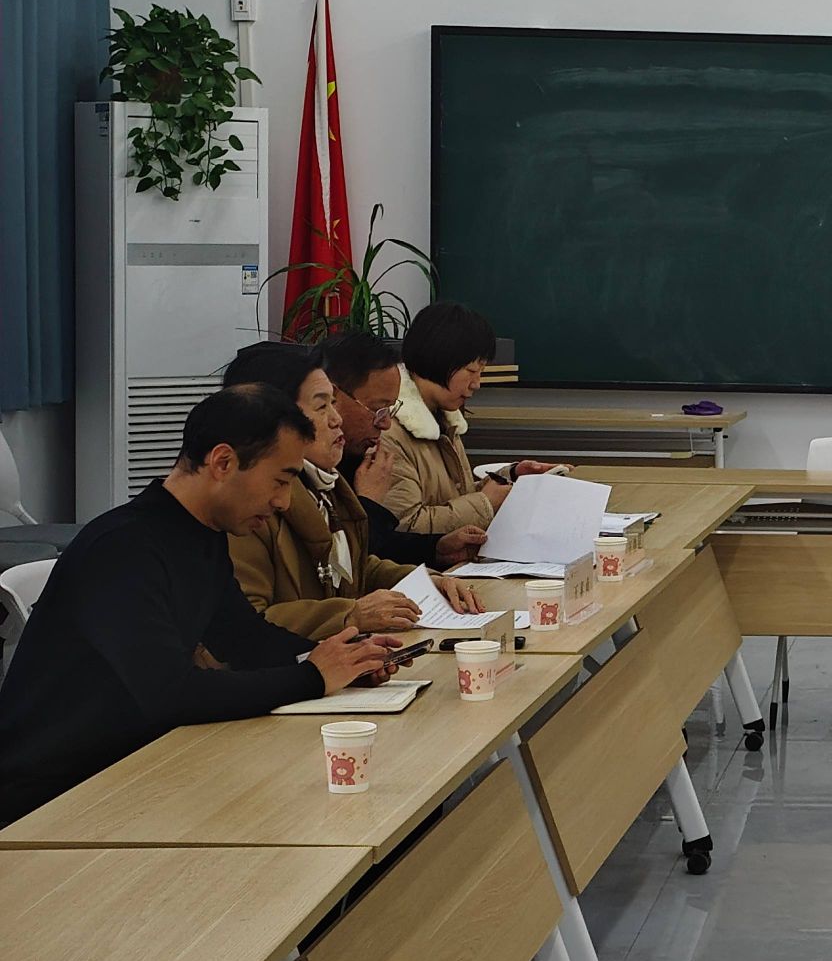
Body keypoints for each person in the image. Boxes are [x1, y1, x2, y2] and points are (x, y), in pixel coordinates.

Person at [0, 387, 403, 826]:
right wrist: (312, 677)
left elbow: (244, 639)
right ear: (223, 462)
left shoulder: (201, 535)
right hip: (53, 800)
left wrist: (341, 659)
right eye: (281, 480)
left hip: (135, 769)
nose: (284, 501)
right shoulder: (123, 549)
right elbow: (170, 694)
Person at [222, 343, 483, 638]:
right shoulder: (246, 506)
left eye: (333, 404)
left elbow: (353, 569)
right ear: (271, 417)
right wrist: (348, 615)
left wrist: (425, 582)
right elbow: (242, 628)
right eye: (322, 407)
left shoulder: (324, 483)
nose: (337, 419)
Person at [379, 303, 559, 534]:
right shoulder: (389, 431)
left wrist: (511, 476)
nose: (477, 384)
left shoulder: (444, 418)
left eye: (481, 372)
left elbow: (453, 497)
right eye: (472, 371)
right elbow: (405, 526)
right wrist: (486, 502)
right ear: (439, 359)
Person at [321, 331, 487, 568]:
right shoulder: (301, 472)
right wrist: (369, 503)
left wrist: (436, 549)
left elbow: (383, 550)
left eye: (390, 409)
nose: (386, 424)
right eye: (378, 410)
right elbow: (343, 565)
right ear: (331, 398)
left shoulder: (359, 453)